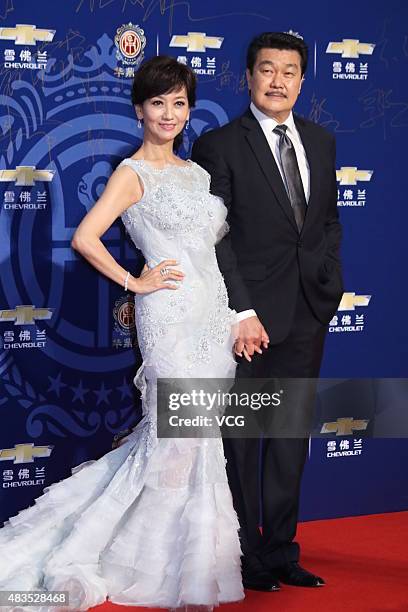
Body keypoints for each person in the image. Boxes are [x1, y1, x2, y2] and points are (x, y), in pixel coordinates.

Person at [0, 56, 244, 611]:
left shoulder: (198, 174)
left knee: (198, 440)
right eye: (158, 103)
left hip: (211, 316)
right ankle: (143, 562)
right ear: (139, 110)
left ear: (188, 109)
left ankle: (188, 563)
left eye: (179, 103)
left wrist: (232, 316)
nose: (169, 113)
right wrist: (136, 281)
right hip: (171, 317)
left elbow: (211, 255)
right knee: (174, 439)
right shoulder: (133, 173)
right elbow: (87, 238)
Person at [192, 31, 343, 592]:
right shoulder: (220, 145)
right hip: (249, 319)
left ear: (302, 81)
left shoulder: (322, 141)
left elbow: (327, 222)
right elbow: (218, 238)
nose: (278, 81)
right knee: (245, 439)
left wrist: (329, 278)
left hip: (308, 308)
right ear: (247, 77)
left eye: (289, 71)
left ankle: (281, 549)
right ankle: (247, 555)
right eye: (266, 70)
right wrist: (241, 310)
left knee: (288, 438)